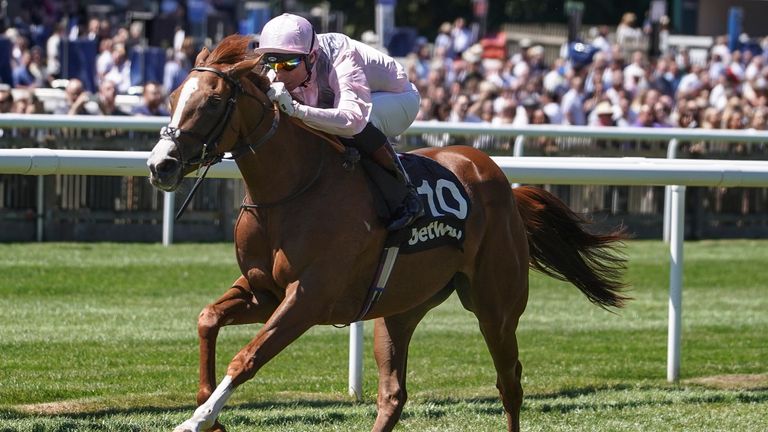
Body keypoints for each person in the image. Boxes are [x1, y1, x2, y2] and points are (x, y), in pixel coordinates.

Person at [254, 13, 423, 231]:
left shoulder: (342, 56)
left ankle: (406, 194)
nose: (278, 73)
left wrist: (296, 109)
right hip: (346, 102)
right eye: (271, 62)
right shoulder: (290, 61)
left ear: (312, 57)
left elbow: (353, 120)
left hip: (398, 98)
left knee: (356, 122)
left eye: (289, 63)